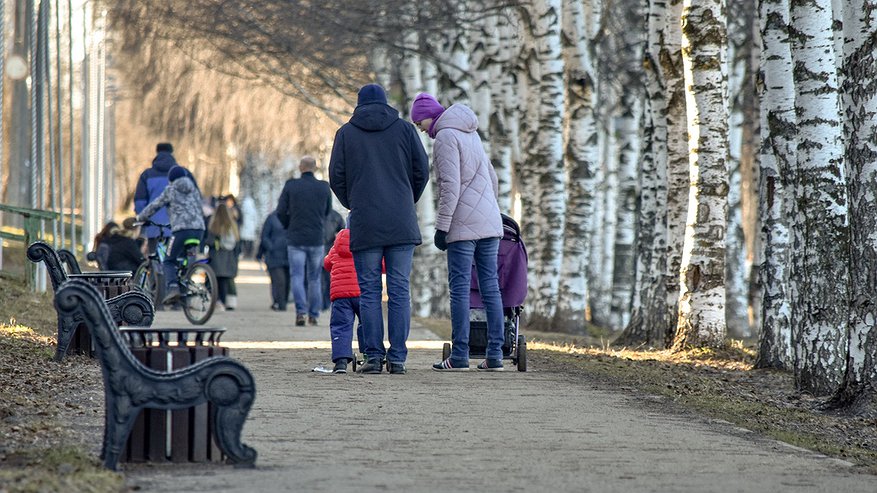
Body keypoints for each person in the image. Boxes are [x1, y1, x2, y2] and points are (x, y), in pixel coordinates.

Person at [328, 83, 429, 375]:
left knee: (370, 291)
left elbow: (337, 177)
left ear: (359, 104)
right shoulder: (406, 131)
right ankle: (397, 358)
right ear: (386, 103)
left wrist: (354, 202)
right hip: (400, 220)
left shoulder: (346, 133)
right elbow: (421, 170)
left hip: (366, 221)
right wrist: (406, 199)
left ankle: (373, 357)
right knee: (399, 289)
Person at [410, 92, 505, 372]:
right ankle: (495, 355)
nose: (421, 128)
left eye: (420, 122)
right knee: (491, 288)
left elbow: (449, 187)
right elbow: (493, 177)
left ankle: (461, 355)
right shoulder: (471, 132)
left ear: (431, 115)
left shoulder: (445, 138)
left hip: (463, 225)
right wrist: (491, 209)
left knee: (461, 288)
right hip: (490, 222)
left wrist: (442, 228)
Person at [133, 165, 206, 305]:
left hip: (181, 230)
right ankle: (186, 283)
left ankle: (173, 288)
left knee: (168, 260)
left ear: (171, 179)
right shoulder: (194, 190)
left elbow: (155, 205)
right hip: (199, 230)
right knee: (184, 259)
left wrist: (140, 218)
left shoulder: (171, 190)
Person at [277, 156, 332, 327]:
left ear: (301, 167)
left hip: (295, 238)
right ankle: (314, 314)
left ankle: (301, 311)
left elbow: (280, 211)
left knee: (297, 276)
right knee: (315, 278)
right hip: (316, 239)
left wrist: (288, 225)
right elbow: (327, 212)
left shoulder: (291, 185)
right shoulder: (324, 187)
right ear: (314, 168)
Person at [323, 225, 364, 374]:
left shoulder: (335, 248)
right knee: (367, 324)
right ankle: (368, 355)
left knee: (340, 326)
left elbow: (326, 264)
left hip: (340, 296)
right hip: (362, 293)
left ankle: (340, 362)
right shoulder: (366, 246)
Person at [134, 143, 177, 254]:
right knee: (173, 259)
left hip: (154, 226)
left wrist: (142, 218)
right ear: (172, 152)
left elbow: (140, 202)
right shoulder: (180, 173)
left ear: (157, 152)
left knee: (155, 257)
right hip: (176, 224)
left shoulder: (147, 175)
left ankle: (155, 270)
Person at [207, 203, 241, 311]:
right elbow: (238, 246)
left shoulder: (214, 225)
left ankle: (217, 302)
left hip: (216, 259)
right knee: (225, 282)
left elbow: (210, 241)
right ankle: (228, 302)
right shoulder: (234, 227)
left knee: (215, 282)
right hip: (229, 259)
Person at [256, 209, 290, 311]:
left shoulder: (294, 217)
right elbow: (264, 236)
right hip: (274, 256)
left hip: (289, 255)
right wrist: (271, 247)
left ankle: (281, 301)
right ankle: (279, 303)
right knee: (279, 280)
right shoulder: (271, 218)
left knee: (287, 281)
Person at [322, 208, 346, 311]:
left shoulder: (335, 216)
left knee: (326, 279)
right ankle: (322, 303)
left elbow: (342, 231)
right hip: (324, 249)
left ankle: (325, 303)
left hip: (328, 250)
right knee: (321, 279)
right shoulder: (335, 215)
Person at [239, 195, 258, 259]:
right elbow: (256, 220)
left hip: (246, 229)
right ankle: (248, 254)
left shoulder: (243, 210)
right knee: (249, 242)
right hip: (250, 229)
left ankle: (246, 253)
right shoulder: (253, 210)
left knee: (245, 242)